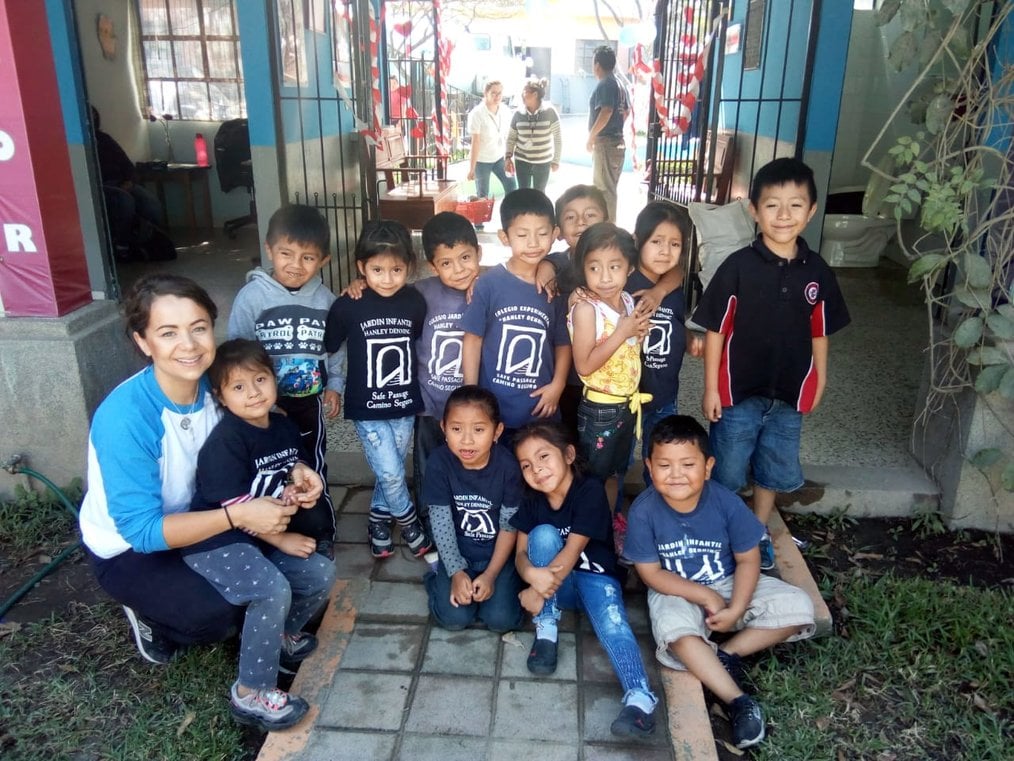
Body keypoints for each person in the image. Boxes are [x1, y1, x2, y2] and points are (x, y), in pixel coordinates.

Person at [78, 274, 320, 667]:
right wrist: (239, 515)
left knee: (300, 545)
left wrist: (298, 468)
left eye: (198, 328)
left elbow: (266, 434)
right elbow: (142, 532)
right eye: (168, 333)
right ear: (143, 342)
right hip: (134, 549)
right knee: (219, 613)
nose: (188, 345)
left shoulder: (220, 385)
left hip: (209, 516)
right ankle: (149, 616)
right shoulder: (126, 417)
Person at [692, 158, 851, 569]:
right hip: (737, 393)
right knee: (728, 467)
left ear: (811, 211)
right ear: (754, 211)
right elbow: (715, 331)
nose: (783, 215)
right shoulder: (738, 267)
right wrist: (711, 388)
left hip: (789, 394)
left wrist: (820, 380)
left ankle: (756, 530)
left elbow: (820, 332)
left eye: (795, 205)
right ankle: (721, 529)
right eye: (772, 205)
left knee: (772, 465)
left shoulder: (818, 272)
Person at [624, 415, 817, 749]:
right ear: (650, 468)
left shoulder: (726, 502)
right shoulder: (643, 511)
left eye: (688, 464)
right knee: (674, 632)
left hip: (729, 581)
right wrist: (703, 595)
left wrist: (737, 607)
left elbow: (748, 559)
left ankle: (727, 653)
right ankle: (738, 701)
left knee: (799, 606)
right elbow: (651, 574)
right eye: (665, 465)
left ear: (708, 466)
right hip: (676, 589)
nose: (676, 474)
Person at [184, 339, 336, 731]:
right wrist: (281, 540)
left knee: (320, 572)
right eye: (238, 386)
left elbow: (290, 465)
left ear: (273, 380)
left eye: (260, 379)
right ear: (221, 397)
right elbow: (236, 509)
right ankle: (250, 692)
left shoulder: (281, 425)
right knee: (271, 589)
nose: (253, 392)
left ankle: (281, 636)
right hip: (215, 539)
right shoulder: (226, 442)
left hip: (256, 535)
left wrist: (301, 479)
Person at [511, 422, 658, 738]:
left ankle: (640, 699)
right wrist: (530, 576)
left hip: (596, 578)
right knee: (543, 534)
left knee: (614, 626)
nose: (537, 470)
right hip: (558, 590)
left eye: (543, 457)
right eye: (526, 465)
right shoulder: (532, 498)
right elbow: (521, 552)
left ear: (568, 454)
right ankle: (547, 628)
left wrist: (536, 591)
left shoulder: (589, 490)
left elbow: (572, 551)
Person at [227, 204, 341, 558]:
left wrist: (335, 384)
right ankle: (269, 525)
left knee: (312, 462)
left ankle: (322, 528)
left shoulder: (326, 301)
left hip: (308, 403)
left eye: (308, 257)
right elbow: (236, 350)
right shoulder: (252, 298)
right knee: (269, 465)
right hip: (262, 406)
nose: (295, 264)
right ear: (269, 249)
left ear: (323, 260)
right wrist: (244, 396)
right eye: (286, 253)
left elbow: (335, 348)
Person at [325, 220, 432, 560]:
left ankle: (377, 520)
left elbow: (417, 341)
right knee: (389, 471)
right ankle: (408, 520)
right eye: (377, 270)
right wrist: (334, 385)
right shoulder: (348, 304)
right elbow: (332, 347)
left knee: (393, 469)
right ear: (361, 267)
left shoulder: (415, 302)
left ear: (409, 267)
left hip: (404, 404)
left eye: (396, 269)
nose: (387, 278)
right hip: (366, 408)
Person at [461, 189, 571, 445]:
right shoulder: (489, 284)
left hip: (541, 409)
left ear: (555, 233)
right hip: (494, 409)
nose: (533, 243)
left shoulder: (555, 288)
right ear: (504, 237)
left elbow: (563, 343)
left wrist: (558, 385)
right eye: (522, 235)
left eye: (542, 233)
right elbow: (473, 339)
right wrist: (471, 393)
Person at [423, 385, 524, 632]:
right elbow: (441, 522)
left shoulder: (508, 467)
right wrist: (456, 571)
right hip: (457, 553)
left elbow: (509, 526)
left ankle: (503, 584)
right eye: (456, 429)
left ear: (497, 431)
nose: (466, 440)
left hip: (497, 556)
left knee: (501, 621)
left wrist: (491, 574)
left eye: (479, 430)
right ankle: (436, 577)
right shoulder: (439, 462)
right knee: (454, 619)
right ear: (443, 428)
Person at [567, 222, 650, 519]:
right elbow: (584, 365)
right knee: (593, 479)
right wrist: (622, 332)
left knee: (616, 472)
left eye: (614, 267)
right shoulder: (586, 309)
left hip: (626, 406)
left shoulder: (626, 300)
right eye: (594, 268)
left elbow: (627, 345)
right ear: (583, 269)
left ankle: (608, 525)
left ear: (629, 268)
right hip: (600, 410)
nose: (604, 278)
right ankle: (587, 533)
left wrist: (637, 334)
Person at [628, 202, 703, 487]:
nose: (665, 251)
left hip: (664, 394)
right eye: (656, 241)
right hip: (626, 396)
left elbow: (673, 322)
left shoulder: (672, 289)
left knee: (661, 459)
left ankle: (656, 508)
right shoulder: (625, 282)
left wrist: (687, 339)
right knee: (618, 463)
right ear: (637, 240)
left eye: (674, 244)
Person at [413, 212, 483, 508]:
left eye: (466, 257)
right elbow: (384, 297)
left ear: (479, 253)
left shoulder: (490, 289)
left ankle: (465, 515)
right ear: (432, 266)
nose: (459, 269)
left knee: (470, 463)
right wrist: (360, 286)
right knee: (428, 464)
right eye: (446, 263)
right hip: (430, 404)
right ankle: (428, 518)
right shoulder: (420, 293)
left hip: (472, 406)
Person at [91, 106, 169, 260]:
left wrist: (129, 181)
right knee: (125, 201)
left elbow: (127, 165)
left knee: (151, 203)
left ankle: (149, 240)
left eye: (94, 116)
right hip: (102, 187)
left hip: (122, 182)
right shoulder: (82, 147)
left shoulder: (105, 139)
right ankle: (122, 246)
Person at [585, 46, 629, 222]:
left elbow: (606, 111)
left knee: (604, 190)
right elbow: (626, 112)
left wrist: (591, 137)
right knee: (610, 188)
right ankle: (607, 227)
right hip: (617, 141)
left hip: (606, 143)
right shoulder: (619, 84)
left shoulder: (605, 84)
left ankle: (608, 229)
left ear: (597, 65)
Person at [467, 80, 518, 225]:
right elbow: (475, 142)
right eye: (493, 93)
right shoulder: (477, 113)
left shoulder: (505, 110)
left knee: (511, 186)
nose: (497, 96)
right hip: (482, 160)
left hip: (499, 157)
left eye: (499, 93)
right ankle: (478, 225)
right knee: (483, 194)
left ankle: (510, 220)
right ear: (486, 94)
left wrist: (509, 157)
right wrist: (472, 168)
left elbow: (509, 136)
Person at [505, 78, 562, 192]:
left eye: (525, 92)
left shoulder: (550, 112)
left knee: (539, 194)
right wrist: (507, 157)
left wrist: (556, 160)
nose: (522, 95)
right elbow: (511, 138)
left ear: (535, 94)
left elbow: (558, 138)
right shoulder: (517, 114)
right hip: (522, 162)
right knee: (523, 193)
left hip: (543, 163)